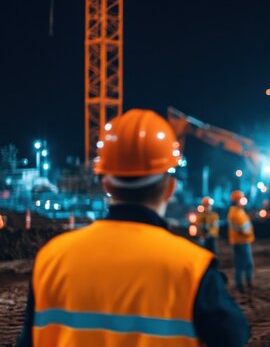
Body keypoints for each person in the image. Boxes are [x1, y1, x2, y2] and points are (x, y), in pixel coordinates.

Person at [17, 109, 249, 346]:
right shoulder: (192, 267)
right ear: (169, 189)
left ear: (107, 184)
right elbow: (234, 336)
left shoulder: (51, 259)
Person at [227, 190, 255, 293]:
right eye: (241, 199)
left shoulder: (237, 211)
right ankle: (247, 283)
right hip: (242, 241)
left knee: (239, 264)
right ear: (236, 201)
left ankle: (240, 284)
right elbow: (243, 229)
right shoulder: (236, 213)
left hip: (239, 241)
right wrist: (249, 234)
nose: (243, 201)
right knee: (247, 264)